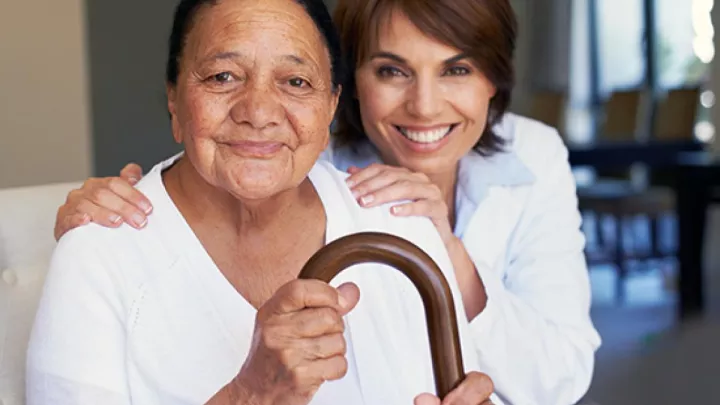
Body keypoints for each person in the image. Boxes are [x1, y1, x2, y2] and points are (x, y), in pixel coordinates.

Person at [51, 0, 602, 404]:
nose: (425, 105)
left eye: (456, 68)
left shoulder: (417, 215)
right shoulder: (291, 157)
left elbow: (556, 379)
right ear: (352, 89)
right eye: (391, 70)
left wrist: (448, 253)